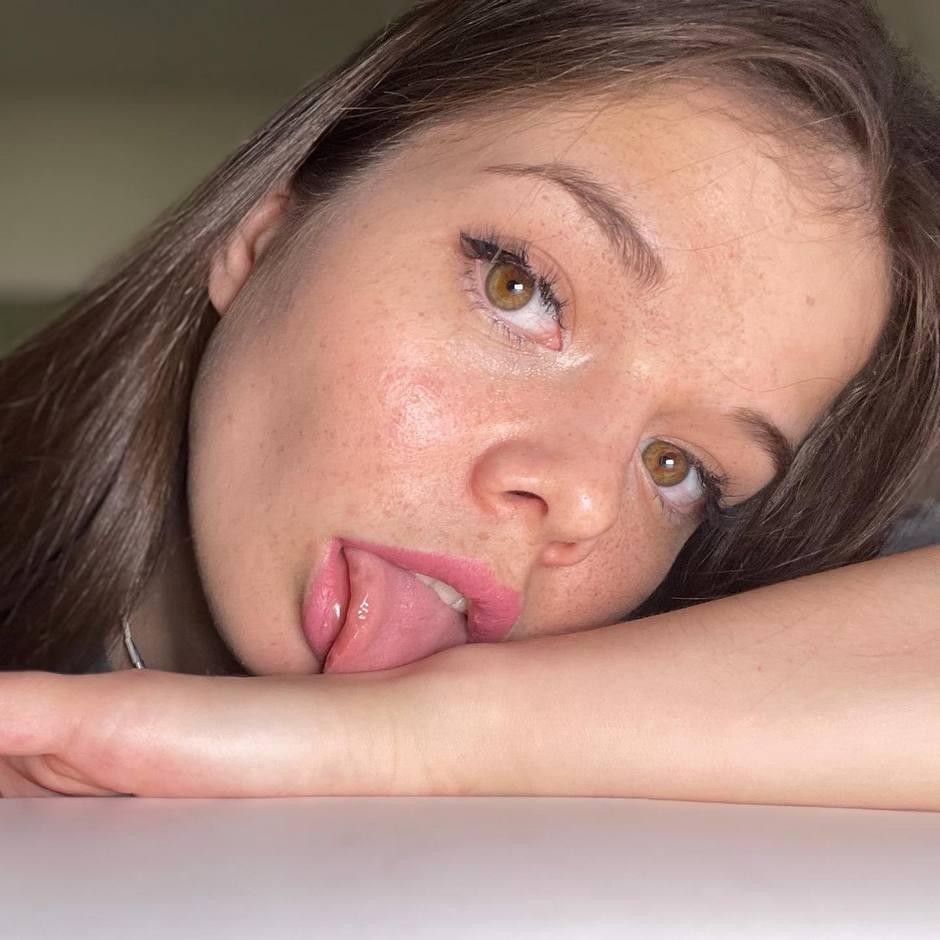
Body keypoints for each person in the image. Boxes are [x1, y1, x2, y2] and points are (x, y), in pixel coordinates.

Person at [0, 0, 938, 804]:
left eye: (677, 467)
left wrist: (420, 737)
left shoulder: (771, 632)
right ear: (268, 231)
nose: (581, 500)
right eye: (520, 290)